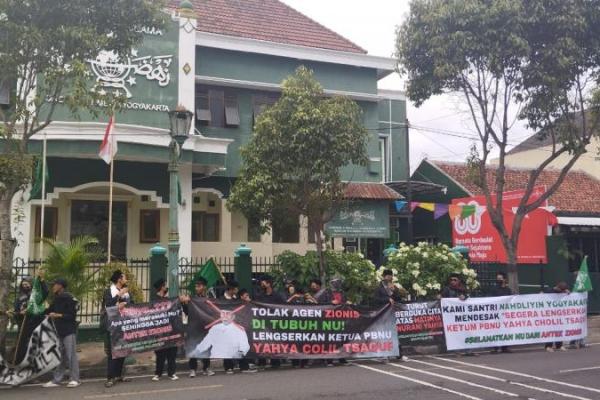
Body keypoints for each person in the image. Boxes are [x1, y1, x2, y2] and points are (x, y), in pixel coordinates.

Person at [42, 278, 80, 388]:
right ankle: (56, 380)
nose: (53, 287)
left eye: (55, 284)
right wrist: (35, 310)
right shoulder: (56, 299)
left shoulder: (69, 298)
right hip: (59, 331)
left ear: (61, 286)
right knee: (60, 356)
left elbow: (72, 315)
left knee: (71, 355)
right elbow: (48, 310)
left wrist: (58, 315)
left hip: (69, 331)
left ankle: (75, 379)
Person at [101, 270, 133, 388]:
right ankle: (110, 378)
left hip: (124, 324)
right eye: (124, 277)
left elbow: (132, 304)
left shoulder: (127, 292)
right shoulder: (109, 291)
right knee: (112, 352)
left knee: (122, 350)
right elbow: (108, 305)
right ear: (119, 279)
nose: (126, 279)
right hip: (112, 326)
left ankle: (118, 375)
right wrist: (119, 295)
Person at [12, 273, 49, 364]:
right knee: (22, 344)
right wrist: (20, 313)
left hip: (36, 323)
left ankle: (36, 362)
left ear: (31, 284)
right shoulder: (19, 298)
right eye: (23, 284)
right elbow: (16, 312)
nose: (25, 286)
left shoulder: (36, 296)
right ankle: (20, 361)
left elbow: (45, 292)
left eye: (27, 284)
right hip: (24, 325)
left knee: (36, 343)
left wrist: (42, 281)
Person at [374, 270, 408, 362]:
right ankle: (384, 355)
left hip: (392, 313)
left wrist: (395, 291)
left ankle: (399, 355)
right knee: (384, 334)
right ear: (384, 276)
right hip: (383, 314)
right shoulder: (379, 287)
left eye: (391, 276)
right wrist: (387, 299)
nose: (389, 277)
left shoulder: (393, 286)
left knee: (394, 334)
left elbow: (398, 299)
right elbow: (375, 299)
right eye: (388, 276)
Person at [184, 277, 214, 377]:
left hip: (205, 327)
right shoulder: (192, 299)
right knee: (193, 346)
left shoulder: (209, 299)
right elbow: (186, 312)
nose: (197, 288)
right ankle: (193, 369)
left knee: (206, 347)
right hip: (194, 328)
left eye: (199, 286)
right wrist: (185, 304)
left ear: (204, 287)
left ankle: (206, 367)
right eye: (196, 286)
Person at [151, 278, 179, 381]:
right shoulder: (154, 300)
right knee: (160, 353)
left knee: (172, 352)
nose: (167, 287)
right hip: (159, 331)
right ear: (162, 287)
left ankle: (171, 373)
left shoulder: (169, 299)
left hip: (171, 330)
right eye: (165, 285)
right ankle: (158, 373)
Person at [255, 276, 284, 369]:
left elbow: (283, 307)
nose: (261, 285)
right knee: (262, 342)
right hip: (263, 323)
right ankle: (262, 362)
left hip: (275, 323)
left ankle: (275, 362)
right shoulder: (259, 296)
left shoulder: (277, 296)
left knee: (274, 343)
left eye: (263, 283)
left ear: (269, 284)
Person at [441, 274, 472, 356]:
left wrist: (464, 296)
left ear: (459, 281)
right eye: (451, 280)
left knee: (466, 332)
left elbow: (468, 297)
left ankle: (468, 350)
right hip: (451, 316)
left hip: (462, 315)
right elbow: (442, 297)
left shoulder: (463, 289)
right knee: (454, 333)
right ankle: (456, 351)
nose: (453, 281)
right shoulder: (447, 289)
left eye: (455, 280)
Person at [488, 272, 512, 354]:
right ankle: (495, 348)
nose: (498, 280)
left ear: (504, 279)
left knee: (505, 330)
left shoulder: (508, 290)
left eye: (500, 279)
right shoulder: (494, 289)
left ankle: (505, 347)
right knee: (496, 330)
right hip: (496, 313)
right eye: (497, 279)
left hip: (505, 313)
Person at [544, 282, 570, 352]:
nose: (562, 292)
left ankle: (559, 345)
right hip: (550, 314)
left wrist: (568, 292)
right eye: (561, 290)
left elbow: (568, 295)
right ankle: (548, 346)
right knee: (550, 330)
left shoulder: (562, 291)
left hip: (559, 315)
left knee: (559, 330)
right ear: (558, 287)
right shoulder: (549, 291)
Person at [222, 281, 240, 374]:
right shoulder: (221, 299)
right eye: (236, 288)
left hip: (235, 326)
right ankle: (228, 366)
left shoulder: (236, 299)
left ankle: (239, 364)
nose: (237, 290)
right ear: (232, 289)